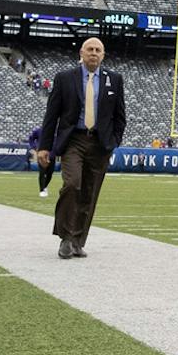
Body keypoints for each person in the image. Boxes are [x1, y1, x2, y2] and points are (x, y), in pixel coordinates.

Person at [36, 37, 126, 259]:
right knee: (72, 184)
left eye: (98, 50)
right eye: (90, 50)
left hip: (100, 143)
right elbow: (52, 115)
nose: (93, 53)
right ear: (82, 53)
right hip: (73, 140)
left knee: (89, 193)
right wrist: (44, 147)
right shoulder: (65, 78)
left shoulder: (114, 79)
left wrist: (113, 142)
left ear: (103, 55)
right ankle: (65, 237)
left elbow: (120, 117)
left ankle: (78, 240)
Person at [26, 123, 54, 196]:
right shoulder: (39, 130)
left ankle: (45, 186)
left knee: (50, 173)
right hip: (41, 154)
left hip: (52, 154)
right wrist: (35, 147)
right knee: (42, 172)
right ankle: (41, 190)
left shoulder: (56, 131)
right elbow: (31, 138)